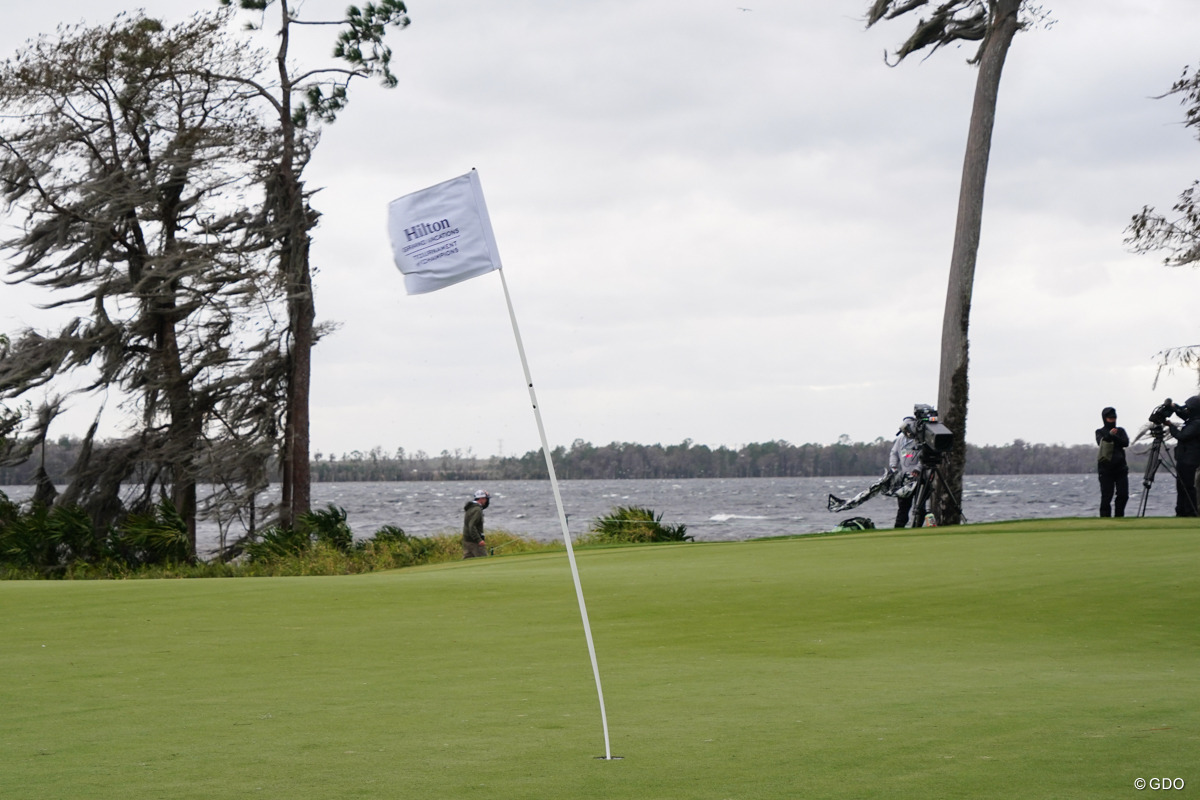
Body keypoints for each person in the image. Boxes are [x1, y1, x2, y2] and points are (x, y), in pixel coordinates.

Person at [1167, 396, 1200, 517]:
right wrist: (1174, 408)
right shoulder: (1194, 419)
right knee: (1181, 486)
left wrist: (1170, 426)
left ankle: (1190, 511)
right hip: (1185, 457)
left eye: (1189, 408)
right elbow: (1184, 415)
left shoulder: (1197, 424)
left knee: (1187, 486)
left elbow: (1182, 436)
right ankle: (1181, 511)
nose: (1187, 410)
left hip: (1189, 459)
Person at [1094, 406, 1129, 517]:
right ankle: (1105, 518)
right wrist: (1109, 435)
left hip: (1120, 468)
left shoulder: (1121, 431)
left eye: (1114, 418)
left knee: (1123, 495)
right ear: (1105, 419)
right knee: (1107, 495)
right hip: (1105, 469)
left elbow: (1125, 443)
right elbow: (1101, 442)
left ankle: (1119, 516)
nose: (1112, 421)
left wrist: (1114, 437)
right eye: (1110, 419)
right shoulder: (1099, 432)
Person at [888, 417, 921, 527]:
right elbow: (894, 453)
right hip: (904, 477)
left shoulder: (920, 439)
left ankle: (917, 526)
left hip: (919, 477)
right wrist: (893, 466)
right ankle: (899, 526)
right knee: (903, 506)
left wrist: (918, 468)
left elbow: (924, 457)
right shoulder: (900, 440)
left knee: (919, 505)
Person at [462, 489, 491, 558]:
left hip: (467, 539)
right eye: (486, 499)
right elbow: (472, 526)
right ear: (481, 499)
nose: (486, 501)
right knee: (483, 559)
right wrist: (479, 540)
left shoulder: (471, 508)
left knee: (468, 559)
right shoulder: (477, 510)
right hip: (474, 542)